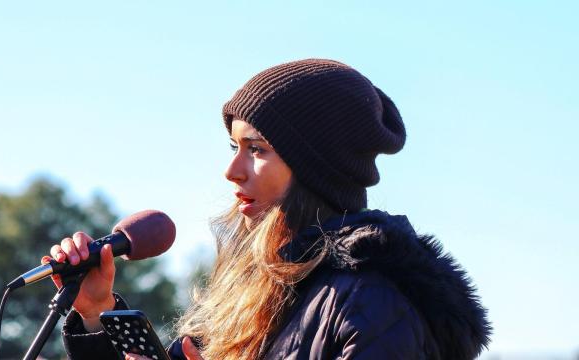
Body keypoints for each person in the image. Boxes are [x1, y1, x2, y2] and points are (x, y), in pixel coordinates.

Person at [46, 59, 491, 360]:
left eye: (256, 149)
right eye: (233, 147)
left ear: (316, 164)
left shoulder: (373, 304)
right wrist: (94, 310)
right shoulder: (252, 295)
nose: (232, 171)